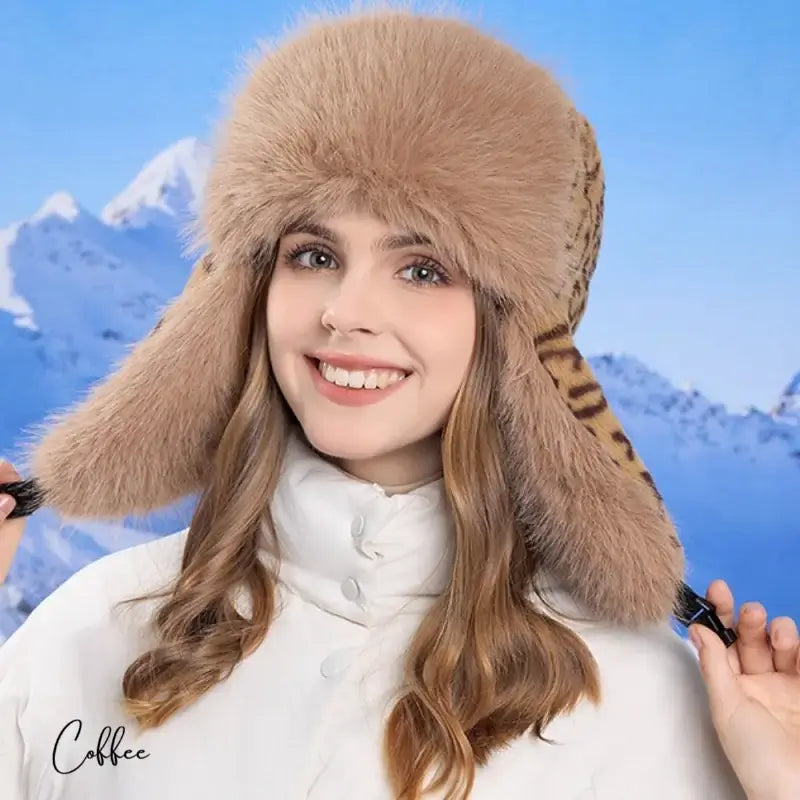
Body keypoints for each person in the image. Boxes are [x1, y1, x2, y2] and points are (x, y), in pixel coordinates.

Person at [0, 6, 796, 799]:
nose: (346, 311)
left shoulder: (650, 704)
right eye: (313, 254)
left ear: (522, 336)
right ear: (241, 296)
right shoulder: (89, 632)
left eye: (422, 269)